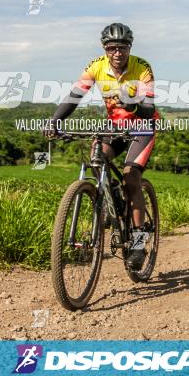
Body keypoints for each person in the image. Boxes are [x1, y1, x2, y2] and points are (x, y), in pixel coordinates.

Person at [43, 23, 159, 269]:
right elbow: (75, 96)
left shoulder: (142, 67)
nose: (118, 53)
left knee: (131, 178)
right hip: (115, 126)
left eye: (123, 48)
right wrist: (54, 121)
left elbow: (149, 108)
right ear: (105, 49)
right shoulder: (96, 67)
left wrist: (133, 106)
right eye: (112, 48)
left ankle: (138, 240)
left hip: (142, 127)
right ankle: (111, 197)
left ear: (130, 48)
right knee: (97, 158)